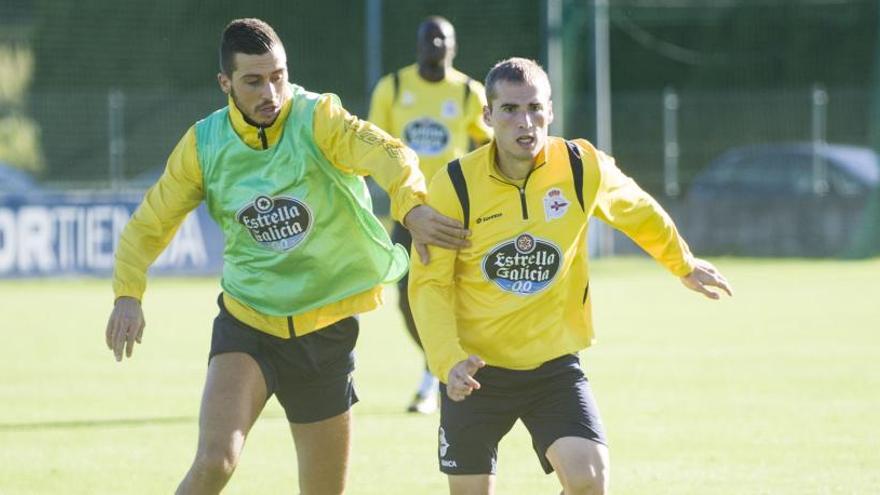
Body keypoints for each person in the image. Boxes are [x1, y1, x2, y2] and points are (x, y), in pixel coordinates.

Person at [103, 18, 468, 495]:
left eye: (278, 76)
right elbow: (150, 223)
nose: (270, 92)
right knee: (215, 462)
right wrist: (128, 293)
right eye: (253, 81)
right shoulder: (204, 144)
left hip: (325, 330)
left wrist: (412, 205)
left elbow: (390, 154)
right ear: (225, 83)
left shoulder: (319, 118)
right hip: (248, 323)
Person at [408, 58, 733, 495]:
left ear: (551, 110)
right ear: (487, 116)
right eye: (509, 109)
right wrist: (448, 361)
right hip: (475, 368)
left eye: (535, 108)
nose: (525, 122)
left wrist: (682, 262)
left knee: (589, 479)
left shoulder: (581, 166)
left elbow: (636, 210)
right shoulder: (455, 185)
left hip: (552, 366)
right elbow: (430, 284)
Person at [368, 15, 492, 414]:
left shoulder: (470, 92)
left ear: (454, 47)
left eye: (444, 39)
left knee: (464, 294)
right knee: (407, 299)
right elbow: (374, 148)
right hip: (409, 212)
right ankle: (436, 365)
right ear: (418, 44)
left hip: (457, 212)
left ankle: (452, 376)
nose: (436, 44)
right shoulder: (394, 87)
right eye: (430, 38)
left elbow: (491, 146)